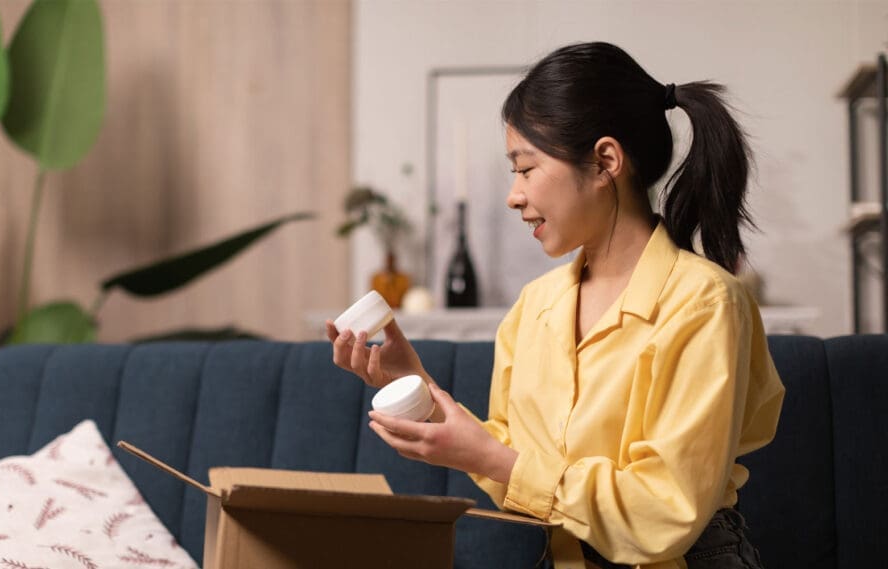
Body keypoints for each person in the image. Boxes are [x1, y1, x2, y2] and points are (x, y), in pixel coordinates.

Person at [325, 41, 785, 569]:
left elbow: (664, 513)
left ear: (605, 161)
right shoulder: (535, 308)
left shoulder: (704, 303)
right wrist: (418, 391)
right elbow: (516, 471)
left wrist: (493, 458)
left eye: (525, 168)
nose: (512, 195)